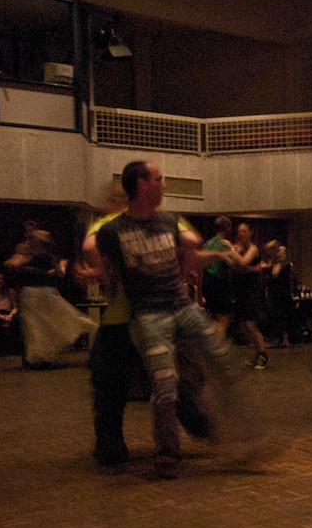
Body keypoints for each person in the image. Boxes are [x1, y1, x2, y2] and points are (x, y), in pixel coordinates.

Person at [86, 160, 264, 478]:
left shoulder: (168, 220)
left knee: (220, 362)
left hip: (180, 308)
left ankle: (248, 438)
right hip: (143, 317)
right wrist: (102, 275)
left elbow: (191, 246)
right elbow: (95, 252)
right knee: (160, 386)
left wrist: (194, 265)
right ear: (140, 185)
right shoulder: (111, 229)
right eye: (158, 179)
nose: (164, 184)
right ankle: (165, 451)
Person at [6, 221, 96, 368]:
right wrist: (45, 271)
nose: (30, 235)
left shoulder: (44, 254)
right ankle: (38, 358)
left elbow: (57, 273)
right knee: (36, 325)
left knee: (44, 324)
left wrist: (57, 268)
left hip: (41, 292)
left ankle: (41, 357)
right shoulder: (25, 251)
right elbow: (13, 265)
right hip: (33, 292)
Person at [229, 222, 268, 368]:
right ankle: (257, 352)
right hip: (240, 290)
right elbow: (233, 265)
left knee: (251, 324)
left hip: (251, 291)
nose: (241, 234)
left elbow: (243, 262)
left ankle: (263, 354)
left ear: (251, 232)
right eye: (239, 231)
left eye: (244, 231)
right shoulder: (238, 249)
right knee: (243, 325)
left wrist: (232, 251)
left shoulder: (253, 248)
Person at [201, 216, 235, 334]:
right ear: (228, 228)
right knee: (223, 317)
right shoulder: (224, 244)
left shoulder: (208, 243)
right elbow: (232, 263)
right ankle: (218, 343)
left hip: (206, 281)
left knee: (212, 317)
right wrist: (233, 250)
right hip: (219, 283)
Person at [266, 243, 294, 348]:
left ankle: (281, 339)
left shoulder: (282, 263)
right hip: (279, 292)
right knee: (280, 315)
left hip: (279, 292)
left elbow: (275, 274)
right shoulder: (280, 263)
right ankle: (283, 339)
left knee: (279, 315)